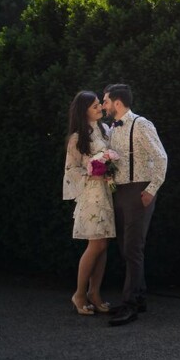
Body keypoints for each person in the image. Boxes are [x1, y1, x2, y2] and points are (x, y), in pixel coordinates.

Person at [102, 83, 168, 326]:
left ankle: (130, 305)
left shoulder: (141, 124)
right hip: (119, 191)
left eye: (106, 100)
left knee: (132, 248)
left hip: (139, 191)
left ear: (118, 102)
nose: (103, 105)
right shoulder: (112, 128)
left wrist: (151, 189)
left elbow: (161, 157)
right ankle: (138, 297)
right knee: (126, 247)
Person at [63, 91, 115, 316]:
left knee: (103, 246)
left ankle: (95, 292)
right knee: (95, 245)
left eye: (99, 105)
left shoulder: (104, 130)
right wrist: (91, 174)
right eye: (95, 106)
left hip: (107, 192)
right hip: (91, 195)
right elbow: (71, 169)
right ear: (83, 110)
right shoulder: (77, 137)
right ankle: (79, 294)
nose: (100, 108)